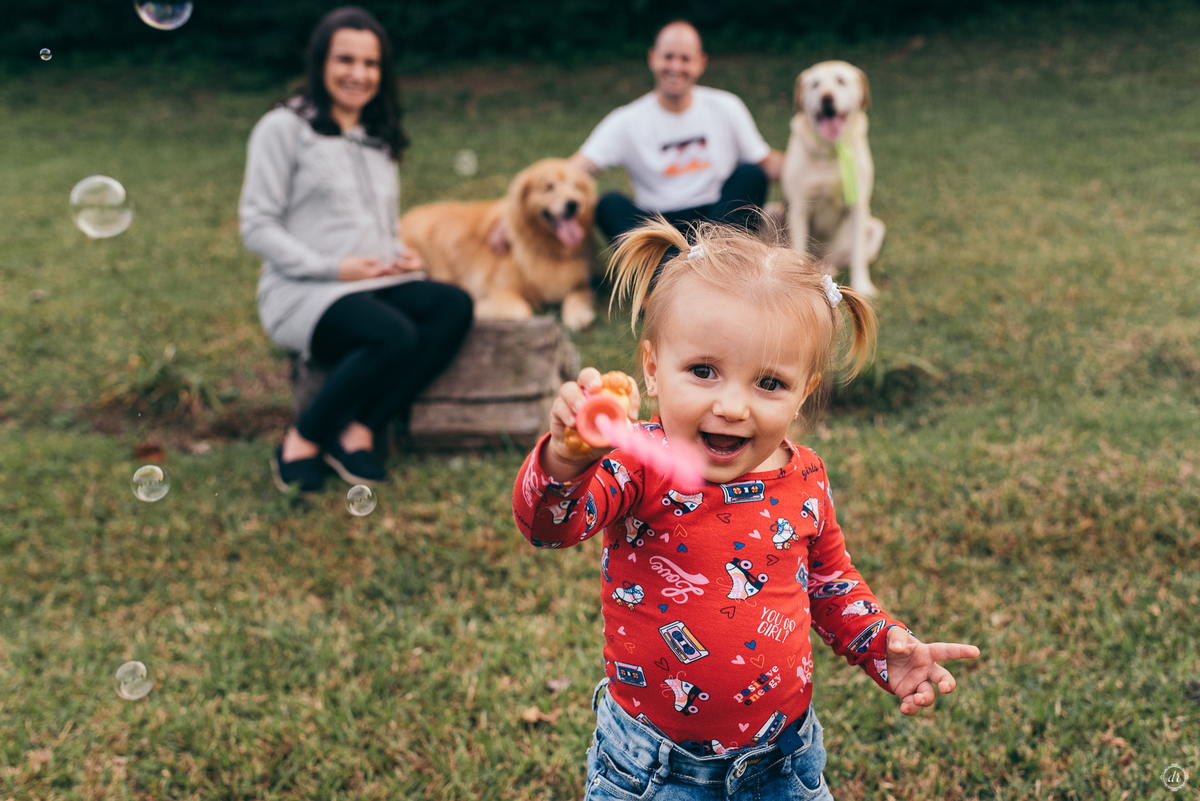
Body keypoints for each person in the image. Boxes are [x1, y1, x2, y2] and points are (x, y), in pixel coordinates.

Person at [512, 220, 979, 798]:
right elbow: (548, 526)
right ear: (653, 369)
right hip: (651, 767)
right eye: (703, 371)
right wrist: (564, 459)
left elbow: (831, 582)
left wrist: (883, 643)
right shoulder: (639, 463)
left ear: (804, 390)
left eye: (769, 383)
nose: (732, 406)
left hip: (781, 762)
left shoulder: (804, 476)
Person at [240, 6, 473, 495]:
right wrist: (333, 267)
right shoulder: (283, 128)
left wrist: (402, 254)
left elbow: (379, 228)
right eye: (345, 60)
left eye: (370, 64)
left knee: (453, 305)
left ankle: (360, 428)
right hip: (303, 291)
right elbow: (256, 225)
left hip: (374, 281)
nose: (358, 74)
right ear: (321, 62)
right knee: (393, 335)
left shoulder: (377, 137)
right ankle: (301, 440)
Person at [572, 21, 783, 242]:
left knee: (751, 175)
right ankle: (691, 265)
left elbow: (766, 163)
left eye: (685, 59)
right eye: (668, 57)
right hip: (660, 226)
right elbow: (576, 169)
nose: (675, 67)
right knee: (609, 204)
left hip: (717, 218)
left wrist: (817, 164)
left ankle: (693, 260)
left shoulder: (726, 106)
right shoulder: (625, 121)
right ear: (652, 58)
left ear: (701, 63)